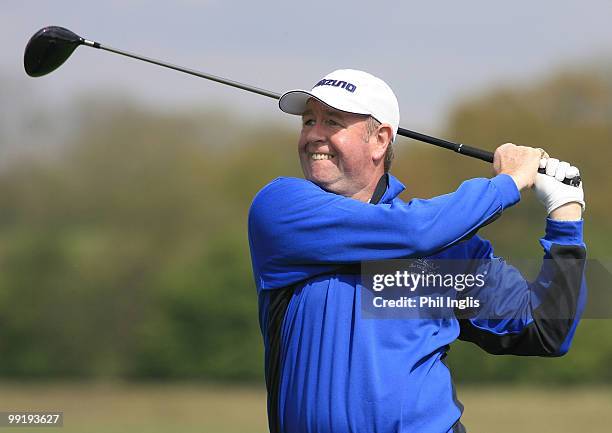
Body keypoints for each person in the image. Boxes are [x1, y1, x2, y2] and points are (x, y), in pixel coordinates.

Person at [247, 69, 586, 433]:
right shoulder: (281, 208)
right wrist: (510, 182)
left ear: (379, 139)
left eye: (332, 122)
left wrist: (566, 217)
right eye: (308, 121)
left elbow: (546, 330)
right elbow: (414, 231)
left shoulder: (447, 246)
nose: (314, 135)